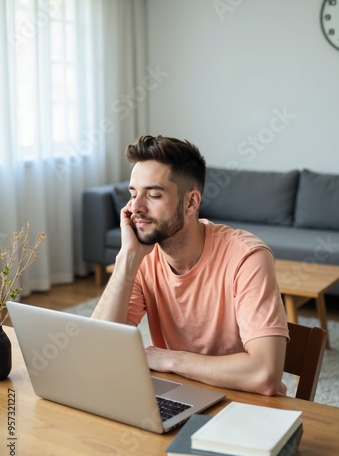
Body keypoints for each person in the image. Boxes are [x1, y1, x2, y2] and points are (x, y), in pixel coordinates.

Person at [92, 135, 288, 396]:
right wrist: (127, 258)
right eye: (133, 194)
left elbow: (264, 375)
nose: (135, 208)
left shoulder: (247, 258)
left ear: (191, 202)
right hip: (176, 394)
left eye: (153, 195)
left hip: (242, 404)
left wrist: (172, 359)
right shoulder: (142, 257)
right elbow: (98, 351)